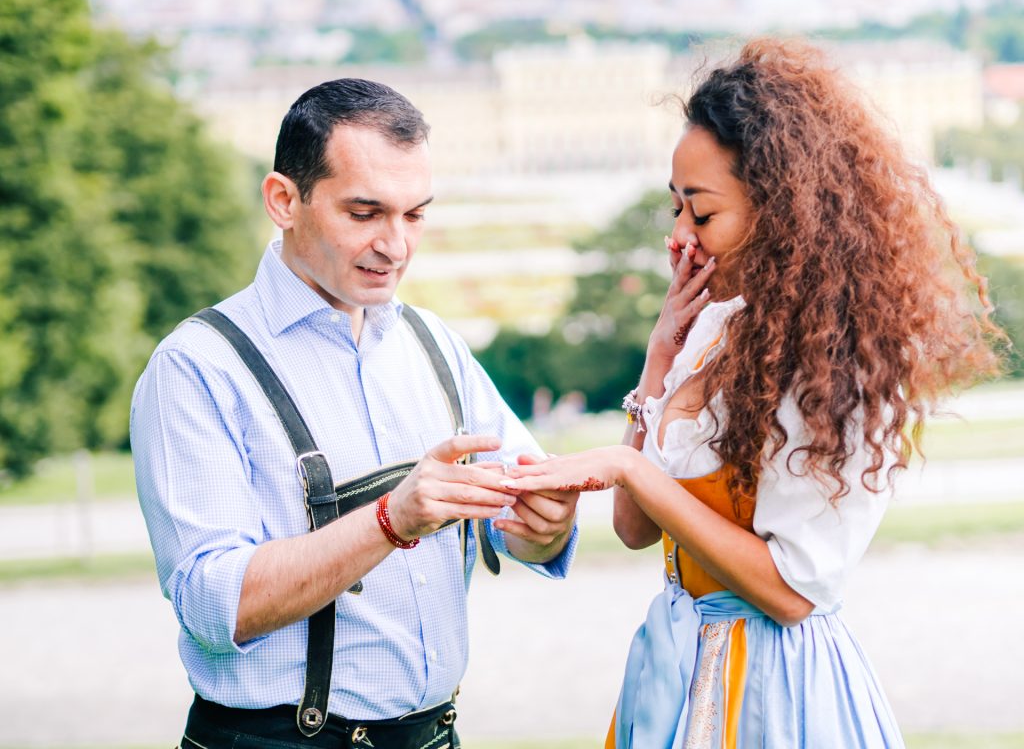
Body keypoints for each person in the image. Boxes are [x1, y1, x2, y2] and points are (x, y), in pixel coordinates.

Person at [501, 38, 1002, 748]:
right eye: (676, 210)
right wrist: (657, 363)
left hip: (774, 694)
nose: (679, 238)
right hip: (670, 673)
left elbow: (793, 594)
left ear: (783, 212)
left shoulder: (836, 368)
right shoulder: (710, 330)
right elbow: (635, 530)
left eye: (701, 215)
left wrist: (629, 466)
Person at [130, 78, 579, 748]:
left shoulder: (435, 344)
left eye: (415, 214)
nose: (395, 245)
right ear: (284, 200)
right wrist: (391, 520)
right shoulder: (197, 366)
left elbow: (520, 525)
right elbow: (213, 605)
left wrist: (545, 524)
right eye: (365, 212)